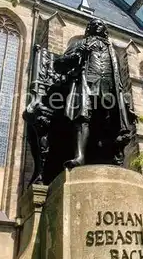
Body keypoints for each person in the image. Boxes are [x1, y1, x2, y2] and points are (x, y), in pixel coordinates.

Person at [54, 18, 136, 169]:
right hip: (87, 85)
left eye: (100, 24)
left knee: (109, 123)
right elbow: (58, 64)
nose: (97, 26)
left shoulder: (112, 51)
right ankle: (80, 156)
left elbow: (119, 81)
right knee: (83, 117)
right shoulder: (79, 44)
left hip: (108, 89)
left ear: (104, 30)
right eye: (93, 24)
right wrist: (77, 54)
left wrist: (125, 102)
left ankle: (110, 157)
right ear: (88, 29)